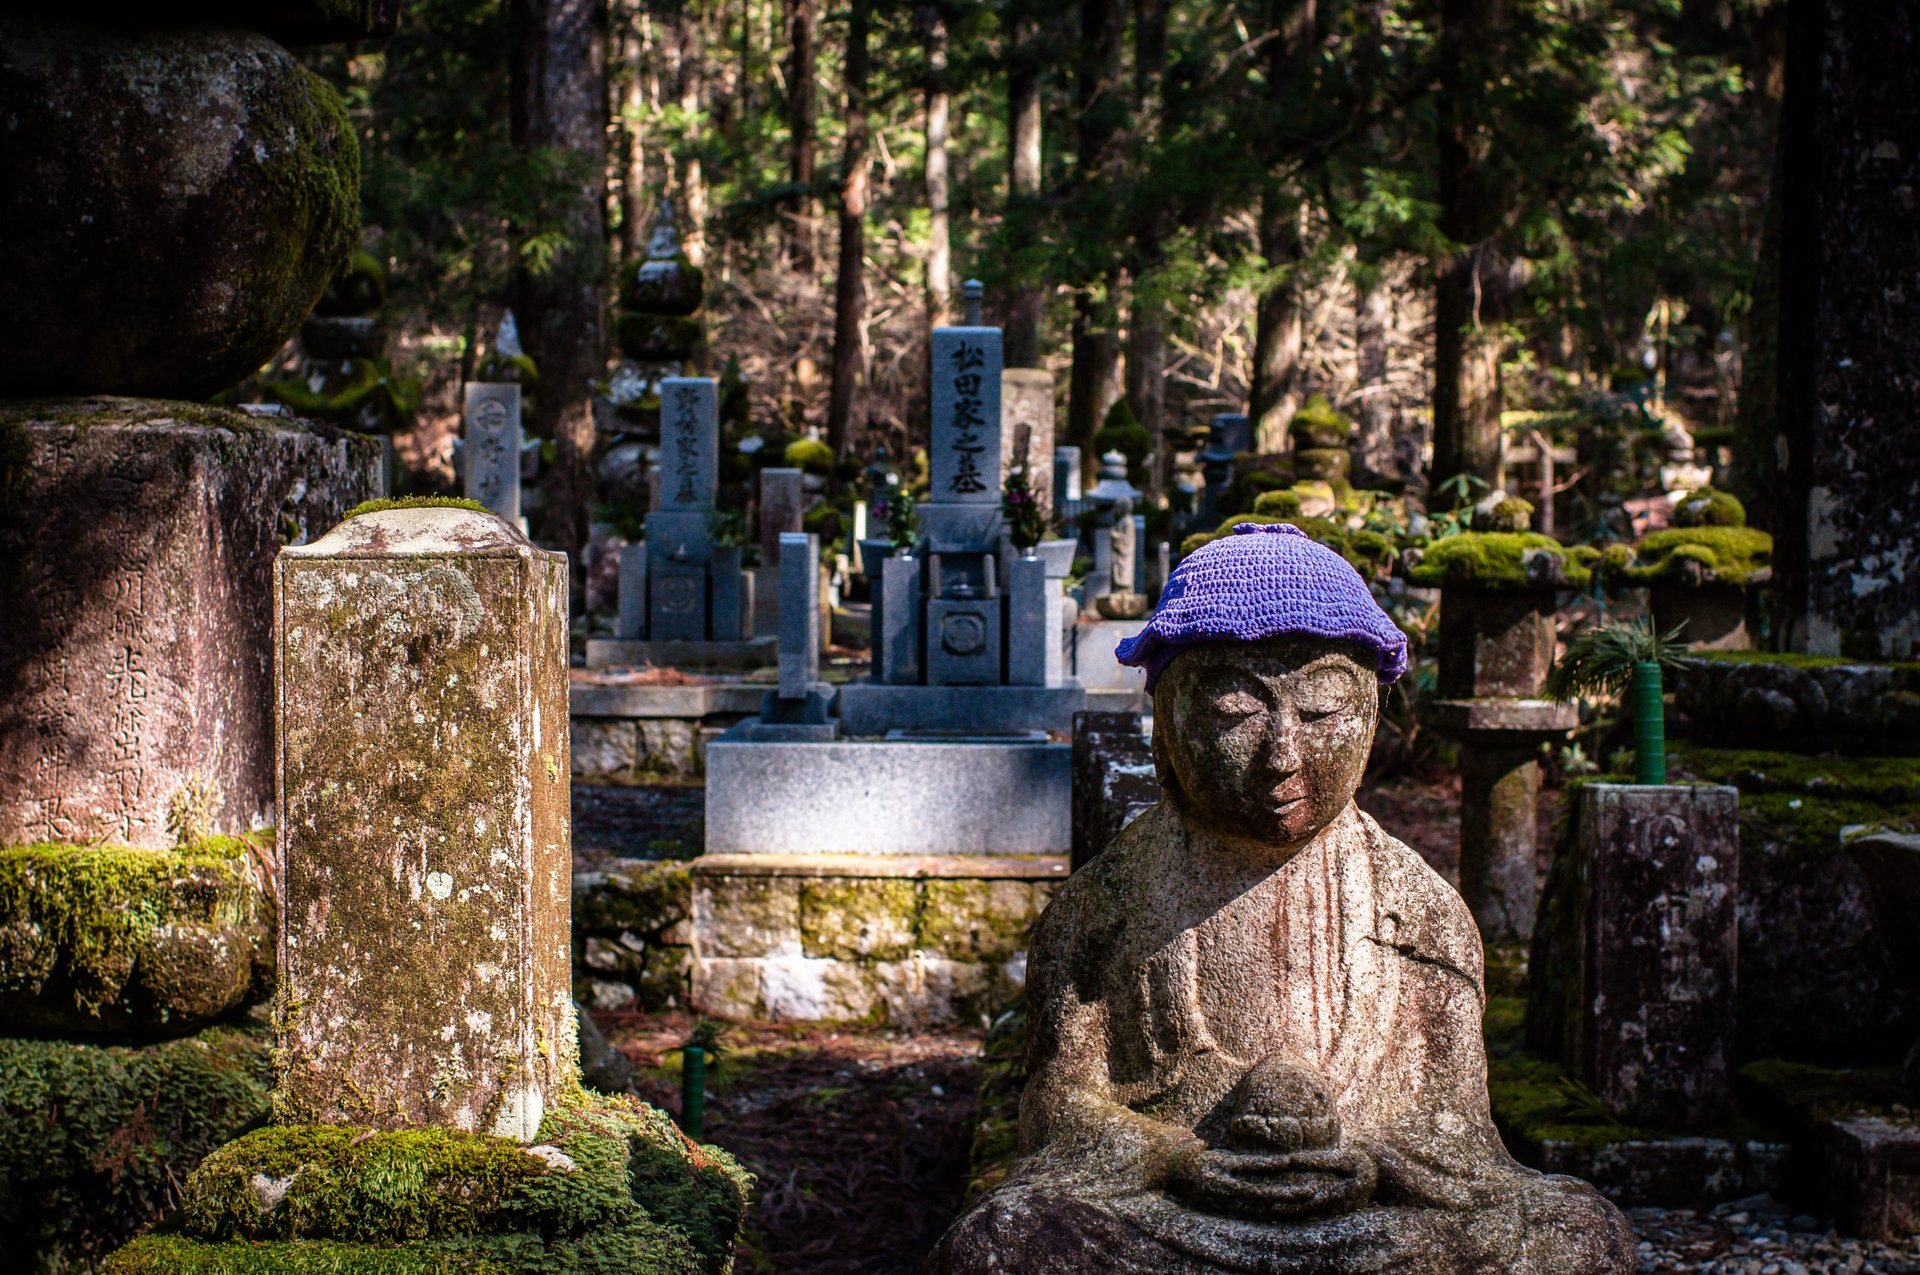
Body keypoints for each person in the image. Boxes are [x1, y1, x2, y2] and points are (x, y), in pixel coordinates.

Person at [931, 524, 1634, 1274]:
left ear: (1368, 716)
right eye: (1236, 712)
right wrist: (1175, 1155)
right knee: (1000, 1244)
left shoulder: (1421, 913)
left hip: (1372, 1229)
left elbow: (1458, 1128)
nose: (1283, 755)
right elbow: (1058, 1110)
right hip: (1175, 1222)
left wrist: (1371, 1163)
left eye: (1322, 709)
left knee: (1582, 1233)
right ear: (1168, 719)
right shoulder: (1102, 909)